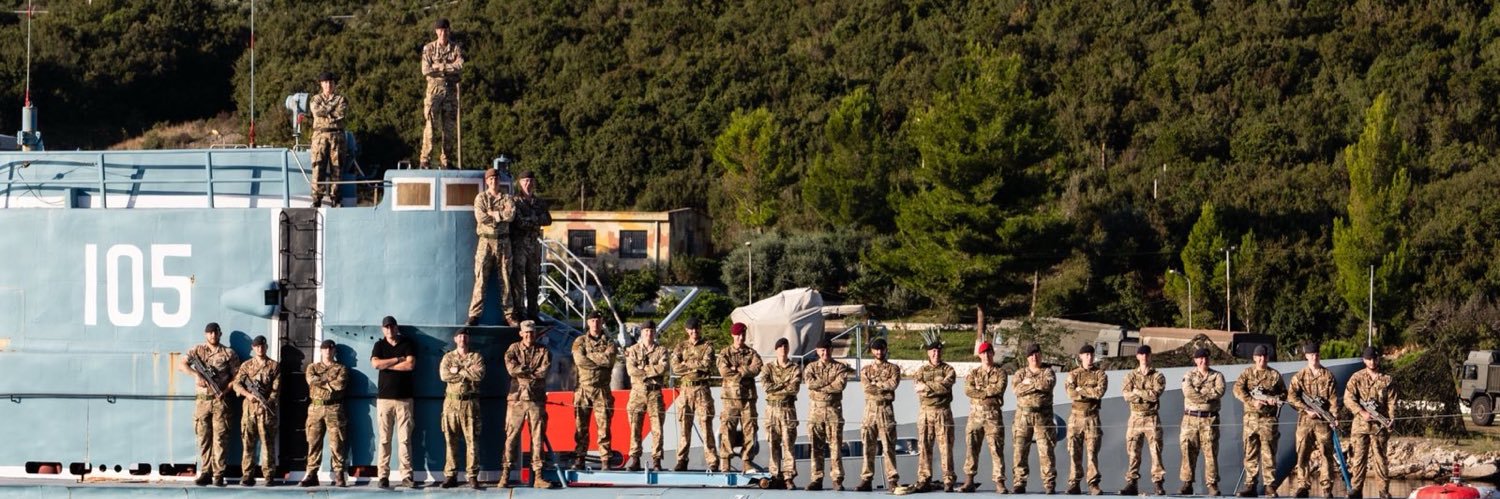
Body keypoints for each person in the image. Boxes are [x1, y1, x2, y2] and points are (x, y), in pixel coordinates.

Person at [180, 322, 240, 487]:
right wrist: (196, 375)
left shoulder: (229, 353)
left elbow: (237, 377)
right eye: (210, 333)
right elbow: (182, 364)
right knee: (203, 438)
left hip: (221, 402)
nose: (213, 335)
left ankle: (218, 474)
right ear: (206, 334)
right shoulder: (197, 350)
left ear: (220, 334)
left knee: (220, 439)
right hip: (202, 403)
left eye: (215, 332)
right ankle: (205, 472)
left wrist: (226, 390)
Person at [503, 321, 555, 488]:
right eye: (526, 332)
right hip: (516, 400)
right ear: (521, 333)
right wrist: (530, 371)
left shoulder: (543, 351)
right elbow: (511, 369)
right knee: (511, 437)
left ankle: (538, 476)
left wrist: (523, 370)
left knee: (537, 438)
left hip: (535, 399)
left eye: (531, 332)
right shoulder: (513, 349)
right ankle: (505, 474)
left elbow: (544, 371)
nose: (529, 335)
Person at [1233, 345, 1286, 498]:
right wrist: (1252, 401)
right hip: (1250, 420)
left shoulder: (1274, 375)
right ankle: (1250, 485)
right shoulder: (1247, 373)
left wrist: (1274, 400)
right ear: (1255, 358)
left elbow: (1284, 393)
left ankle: (1269, 486)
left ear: (1268, 358)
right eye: (1259, 356)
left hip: (1268, 421)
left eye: (1265, 356)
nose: (1262, 359)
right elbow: (1237, 389)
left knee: (1269, 453)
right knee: (1250, 453)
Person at [1288, 342, 1340, 499]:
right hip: (1305, 421)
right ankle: (1303, 486)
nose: (1314, 357)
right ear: (1306, 356)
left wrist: (1334, 417)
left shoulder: (1328, 376)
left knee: (1326, 454)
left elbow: (1333, 400)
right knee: (1302, 453)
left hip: (1323, 423)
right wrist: (1305, 409)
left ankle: (1326, 488)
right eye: (1311, 355)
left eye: (1316, 354)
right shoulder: (1300, 376)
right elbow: (1291, 396)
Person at [370, 315, 416, 489]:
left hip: (405, 400)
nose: (389, 330)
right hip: (384, 400)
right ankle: (383, 476)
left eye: (392, 326)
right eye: (386, 327)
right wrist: (397, 360)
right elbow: (375, 364)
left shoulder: (407, 343)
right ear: (383, 330)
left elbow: (410, 365)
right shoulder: (379, 345)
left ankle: (407, 475)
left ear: (396, 328)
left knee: (404, 440)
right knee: (384, 440)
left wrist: (385, 365)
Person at [1345, 346, 1395, 499]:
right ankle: (1356, 489)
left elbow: (1392, 401)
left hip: (1379, 427)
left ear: (1378, 359)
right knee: (1359, 458)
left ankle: (1383, 490)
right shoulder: (1356, 378)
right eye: (1369, 359)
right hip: (1360, 426)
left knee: (1380, 458)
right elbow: (1348, 399)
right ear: (1364, 360)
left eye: (1374, 358)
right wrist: (1362, 412)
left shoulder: (1387, 379)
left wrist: (1391, 418)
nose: (1372, 362)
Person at [803, 338, 853, 491]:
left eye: (827, 349)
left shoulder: (839, 367)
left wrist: (821, 387)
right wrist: (828, 384)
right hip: (815, 413)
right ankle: (816, 478)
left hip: (833, 412)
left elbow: (839, 386)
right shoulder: (810, 367)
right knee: (816, 447)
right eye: (822, 350)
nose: (825, 353)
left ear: (831, 350)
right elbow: (810, 383)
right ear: (817, 351)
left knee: (835, 447)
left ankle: (837, 479)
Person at [439, 328, 485, 489]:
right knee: (450, 441)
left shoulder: (476, 357)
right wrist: (467, 372)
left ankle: (472, 476)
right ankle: (450, 475)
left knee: (472, 441)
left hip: (470, 404)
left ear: (468, 339)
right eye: (460, 336)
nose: (462, 339)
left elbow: (479, 375)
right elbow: (444, 376)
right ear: (455, 339)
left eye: (465, 336)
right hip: (451, 404)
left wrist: (458, 370)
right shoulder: (448, 357)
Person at [671, 318, 719, 471]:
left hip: (702, 390)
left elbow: (706, 365)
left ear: (700, 329)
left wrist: (686, 364)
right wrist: (693, 367)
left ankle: (712, 461)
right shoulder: (681, 346)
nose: (694, 332)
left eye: (697, 329)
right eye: (691, 329)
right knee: (684, 427)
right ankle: (682, 459)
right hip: (685, 390)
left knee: (706, 427)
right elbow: (675, 368)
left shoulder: (707, 346)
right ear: (687, 330)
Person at [572, 310, 618, 469]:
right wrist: (598, 361)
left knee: (604, 427)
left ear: (602, 322)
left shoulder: (610, 342)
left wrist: (590, 356)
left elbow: (609, 360)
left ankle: (605, 459)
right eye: (592, 321)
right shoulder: (580, 341)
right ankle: (580, 457)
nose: (595, 323)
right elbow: (579, 360)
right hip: (583, 389)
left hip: (601, 390)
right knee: (580, 426)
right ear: (588, 323)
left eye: (598, 320)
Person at [469, 168, 515, 325]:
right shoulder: (481, 198)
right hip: (485, 242)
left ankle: (508, 315)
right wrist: (500, 216)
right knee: (481, 277)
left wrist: (495, 214)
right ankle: (474, 315)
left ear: (499, 180)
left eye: (496, 178)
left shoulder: (507, 198)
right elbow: (481, 217)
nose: (493, 181)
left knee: (506, 278)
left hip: (503, 242)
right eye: (490, 179)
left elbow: (511, 215)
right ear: (486, 181)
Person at [300, 340, 348, 488]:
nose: (328, 351)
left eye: (330, 349)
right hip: (315, 408)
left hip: (334, 408)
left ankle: (339, 474)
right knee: (313, 442)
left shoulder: (341, 368)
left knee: (336, 442)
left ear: (334, 351)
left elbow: (339, 385)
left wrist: (321, 382)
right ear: (321, 351)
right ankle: (312, 474)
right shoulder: (312, 367)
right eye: (325, 349)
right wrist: (328, 382)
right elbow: (311, 380)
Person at [233, 335, 279, 486]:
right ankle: (247, 475)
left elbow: (276, 389)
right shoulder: (246, 366)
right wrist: (248, 395)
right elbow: (237, 384)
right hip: (249, 410)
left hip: (266, 411)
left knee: (268, 443)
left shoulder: (274, 366)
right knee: (248, 443)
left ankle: (269, 476)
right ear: (253, 348)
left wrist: (267, 402)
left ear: (266, 347)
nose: (260, 349)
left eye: (262, 346)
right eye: (257, 346)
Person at [857, 338, 902, 492]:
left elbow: (893, 384)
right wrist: (883, 387)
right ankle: (866, 479)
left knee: (888, 446)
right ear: (872, 351)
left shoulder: (893, 369)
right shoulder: (866, 370)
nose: (879, 352)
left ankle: (892, 480)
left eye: (881, 349)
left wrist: (876, 384)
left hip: (885, 411)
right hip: (869, 411)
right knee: (868, 447)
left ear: (885, 349)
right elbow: (867, 388)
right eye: (876, 349)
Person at [1181, 348, 1227, 495]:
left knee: (1211, 452)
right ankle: (1187, 483)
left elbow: (1220, 391)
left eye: (1206, 358)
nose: (1203, 361)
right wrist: (1207, 396)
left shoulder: (1217, 376)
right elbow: (1188, 392)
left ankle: (1212, 484)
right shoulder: (1188, 375)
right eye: (1200, 358)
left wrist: (1199, 395)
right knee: (1188, 450)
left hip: (1209, 419)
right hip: (1190, 419)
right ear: (1195, 360)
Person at [1012, 343, 1057, 494]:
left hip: (1043, 417)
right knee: (1020, 450)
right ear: (1027, 358)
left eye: (1037, 354)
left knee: (1046, 451)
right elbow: (1016, 389)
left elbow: (1047, 385)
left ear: (1041, 355)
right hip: (1023, 417)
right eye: (1031, 355)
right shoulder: (1020, 373)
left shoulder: (1048, 371)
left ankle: (1049, 483)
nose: (1034, 357)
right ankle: (1019, 482)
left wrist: (1029, 383)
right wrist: (1034, 385)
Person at [717, 322, 764, 470]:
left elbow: (756, 368)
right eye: (738, 334)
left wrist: (737, 369)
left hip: (747, 399)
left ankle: (747, 460)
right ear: (733, 335)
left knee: (750, 429)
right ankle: (725, 460)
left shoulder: (752, 353)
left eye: (743, 334)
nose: (741, 337)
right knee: (727, 428)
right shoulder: (725, 353)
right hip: (730, 399)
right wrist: (745, 371)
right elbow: (724, 371)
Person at [962, 342, 1008, 493]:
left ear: (992, 354)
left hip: (993, 416)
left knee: (996, 449)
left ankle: (999, 482)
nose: (986, 356)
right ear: (979, 355)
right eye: (983, 353)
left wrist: (980, 392)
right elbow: (968, 390)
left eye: (989, 352)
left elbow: (999, 388)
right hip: (975, 417)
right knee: (971, 448)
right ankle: (969, 481)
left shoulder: (1000, 373)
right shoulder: (974, 373)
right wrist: (987, 393)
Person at [913, 339, 958, 492]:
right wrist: (933, 388)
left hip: (943, 412)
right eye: (933, 351)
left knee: (945, 447)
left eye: (938, 351)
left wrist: (926, 387)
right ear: (928, 352)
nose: (936, 353)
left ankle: (948, 479)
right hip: (925, 412)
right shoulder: (921, 371)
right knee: (924, 446)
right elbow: (917, 389)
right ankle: (924, 479)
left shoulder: (948, 369)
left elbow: (946, 387)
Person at [1121, 344, 1166, 496]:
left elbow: (1154, 395)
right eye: (1142, 354)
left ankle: (1158, 483)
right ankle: (1132, 483)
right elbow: (1126, 396)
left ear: (1150, 356)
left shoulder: (1157, 376)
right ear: (1137, 357)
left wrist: (1137, 391)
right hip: (1135, 418)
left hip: (1151, 418)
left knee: (1156, 452)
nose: (1144, 357)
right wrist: (1143, 394)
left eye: (1147, 354)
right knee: (1133, 451)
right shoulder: (1130, 376)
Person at [624, 320, 668, 471]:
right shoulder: (633, 350)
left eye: (651, 331)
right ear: (641, 333)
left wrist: (643, 370)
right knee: (635, 426)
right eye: (646, 331)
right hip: (637, 392)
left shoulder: (661, 350)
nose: (649, 334)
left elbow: (663, 368)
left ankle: (657, 460)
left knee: (658, 428)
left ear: (655, 333)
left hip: (655, 392)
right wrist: (650, 371)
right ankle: (635, 459)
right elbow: (631, 370)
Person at [419, 18, 463, 169]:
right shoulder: (429, 48)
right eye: (440, 30)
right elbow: (425, 70)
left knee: (449, 129)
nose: (443, 33)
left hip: (450, 91)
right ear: (436, 31)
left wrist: (439, 67)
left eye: (445, 30)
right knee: (431, 126)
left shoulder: (455, 48)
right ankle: (425, 159)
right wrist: (448, 68)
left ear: (449, 30)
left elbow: (460, 66)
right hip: (434, 91)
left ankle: (446, 161)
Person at [1065, 344, 1107, 495]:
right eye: (1086, 355)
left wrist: (1080, 390)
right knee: (1074, 452)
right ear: (1080, 356)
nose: (1089, 357)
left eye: (1091, 354)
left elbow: (1099, 392)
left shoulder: (1100, 374)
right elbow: (1071, 393)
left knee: (1092, 452)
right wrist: (1086, 391)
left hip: (1092, 417)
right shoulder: (1073, 374)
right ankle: (1074, 482)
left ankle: (1093, 483)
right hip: (1076, 417)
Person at [509, 170, 551, 321]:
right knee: (518, 281)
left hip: (534, 246)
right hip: (519, 246)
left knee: (533, 280)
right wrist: (535, 219)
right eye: (525, 181)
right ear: (520, 183)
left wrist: (531, 219)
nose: (528, 184)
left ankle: (533, 313)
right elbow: (518, 222)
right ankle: (519, 312)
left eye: (531, 181)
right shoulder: (515, 201)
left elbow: (548, 219)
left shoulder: (539, 202)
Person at [762, 337, 802, 489]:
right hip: (771, 409)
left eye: (785, 347)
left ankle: (788, 477)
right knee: (772, 443)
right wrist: (784, 384)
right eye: (780, 347)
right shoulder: (768, 368)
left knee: (788, 443)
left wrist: (777, 387)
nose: (783, 349)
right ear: (776, 349)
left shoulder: (794, 368)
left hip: (787, 409)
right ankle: (774, 475)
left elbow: (794, 388)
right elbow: (766, 386)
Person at [309, 71, 348, 208]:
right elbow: (316, 111)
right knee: (318, 167)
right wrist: (331, 110)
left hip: (336, 137)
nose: (328, 85)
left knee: (336, 168)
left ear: (334, 84)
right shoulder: (315, 99)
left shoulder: (341, 99)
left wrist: (326, 112)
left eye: (331, 83)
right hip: (319, 137)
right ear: (321, 84)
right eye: (325, 83)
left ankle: (335, 198)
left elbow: (340, 114)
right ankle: (316, 198)